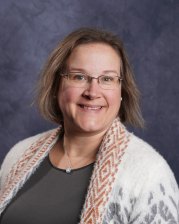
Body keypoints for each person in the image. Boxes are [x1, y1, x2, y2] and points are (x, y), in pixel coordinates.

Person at [0, 28, 178, 224]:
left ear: (122, 91)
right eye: (79, 77)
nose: (93, 92)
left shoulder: (149, 173)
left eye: (107, 79)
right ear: (56, 85)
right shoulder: (19, 154)